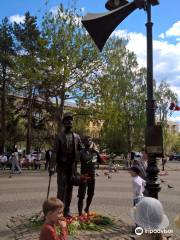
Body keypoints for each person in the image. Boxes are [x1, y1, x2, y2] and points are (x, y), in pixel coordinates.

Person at [50, 112, 83, 217]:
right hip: (62, 167)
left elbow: (81, 149)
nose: (70, 122)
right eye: (67, 120)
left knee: (69, 190)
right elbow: (55, 152)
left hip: (71, 167)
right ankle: (58, 211)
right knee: (61, 190)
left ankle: (67, 210)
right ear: (64, 123)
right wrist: (51, 166)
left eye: (71, 120)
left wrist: (83, 154)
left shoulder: (77, 137)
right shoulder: (59, 136)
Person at [77, 136, 102, 216]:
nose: (88, 141)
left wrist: (97, 152)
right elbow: (75, 163)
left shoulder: (93, 152)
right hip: (84, 175)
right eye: (86, 140)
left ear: (91, 142)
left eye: (90, 140)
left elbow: (101, 162)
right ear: (84, 142)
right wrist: (77, 174)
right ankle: (80, 213)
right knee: (81, 196)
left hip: (92, 176)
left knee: (91, 194)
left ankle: (87, 208)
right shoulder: (81, 152)